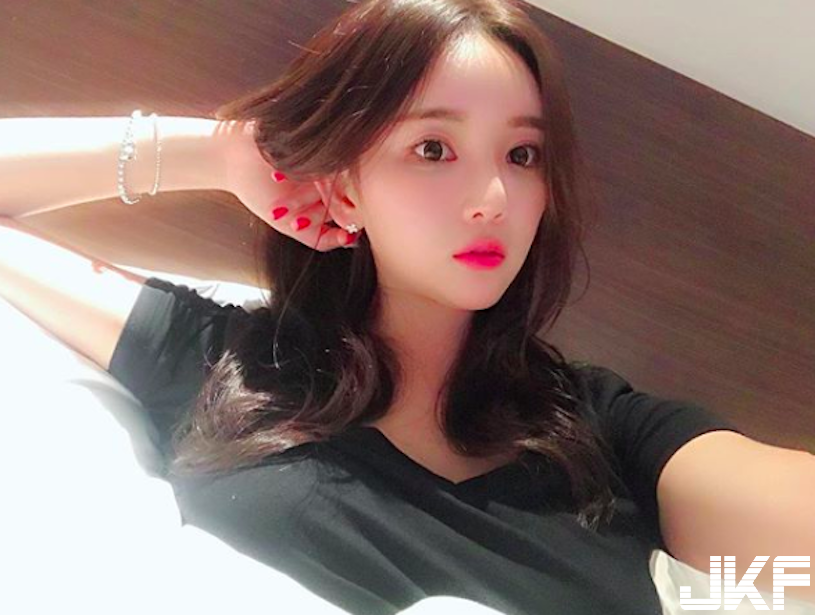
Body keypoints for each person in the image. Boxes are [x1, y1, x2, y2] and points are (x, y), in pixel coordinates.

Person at [1, 1, 813, 613]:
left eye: (521, 154)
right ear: (344, 185)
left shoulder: (602, 431)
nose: (492, 197)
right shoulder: (227, 363)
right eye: (433, 148)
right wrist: (217, 152)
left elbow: (787, 553)